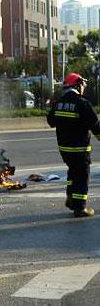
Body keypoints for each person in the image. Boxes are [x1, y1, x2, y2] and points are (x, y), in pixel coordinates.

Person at [47, 73, 99, 217]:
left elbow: (50, 121)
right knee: (82, 175)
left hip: (65, 150)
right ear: (77, 85)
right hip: (80, 149)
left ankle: (70, 198)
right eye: (82, 85)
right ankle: (79, 207)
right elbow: (96, 126)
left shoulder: (59, 103)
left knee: (73, 172)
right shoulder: (83, 103)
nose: (83, 87)